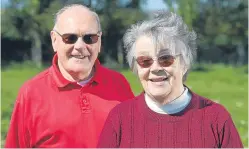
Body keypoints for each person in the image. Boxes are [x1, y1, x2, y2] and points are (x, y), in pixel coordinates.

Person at [97, 10, 243, 148]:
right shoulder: (119, 119)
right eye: (145, 61)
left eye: (166, 59)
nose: (155, 68)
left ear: (185, 63)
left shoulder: (216, 118)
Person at [5, 4, 134, 148]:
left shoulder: (119, 84)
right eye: (70, 38)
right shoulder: (31, 93)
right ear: (55, 40)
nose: (80, 46)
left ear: (99, 41)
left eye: (89, 38)